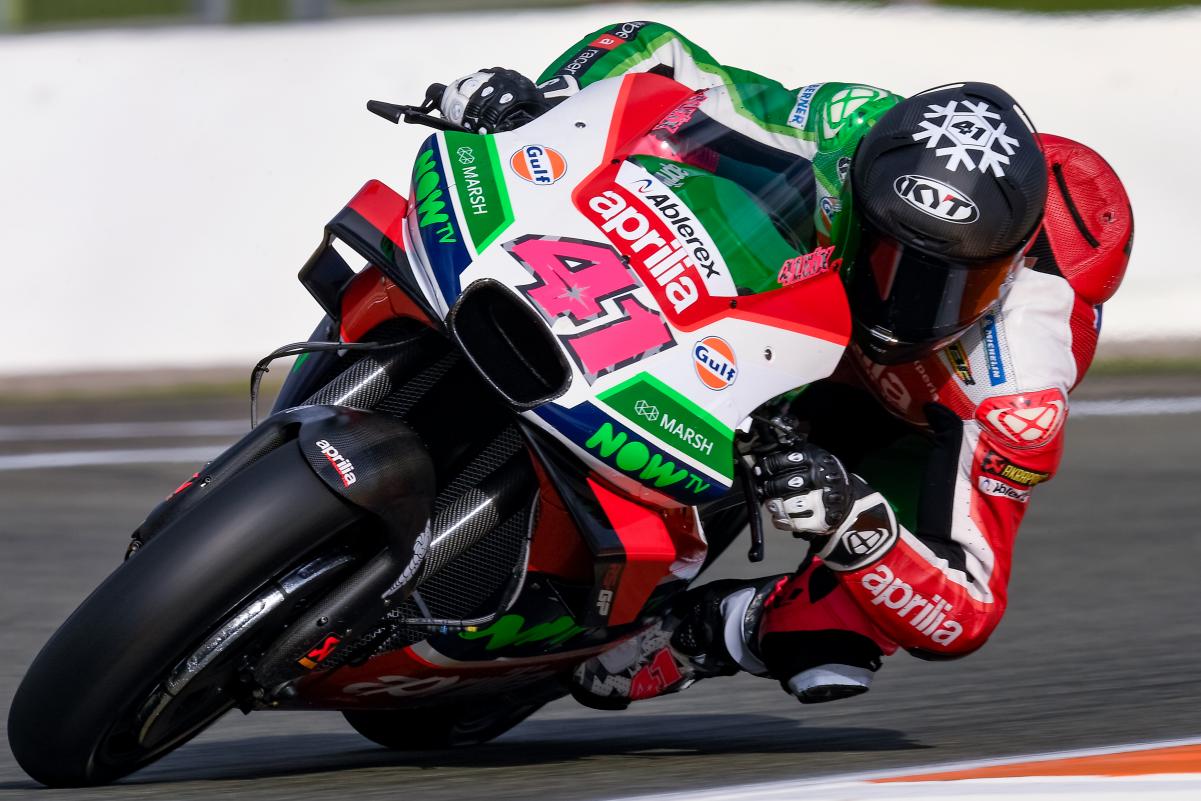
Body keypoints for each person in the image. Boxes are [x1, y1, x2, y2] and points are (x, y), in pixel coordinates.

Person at [435, 21, 1134, 705]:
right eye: (888, 252)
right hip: (794, 313)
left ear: (1008, 271)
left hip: (900, 429)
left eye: (951, 283)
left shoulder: (1018, 386)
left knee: (825, 644)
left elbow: (967, 610)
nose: (904, 301)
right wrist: (548, 101)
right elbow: (659, 52)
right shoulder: (848, 125)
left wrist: (853, 520)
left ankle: (720, 630)